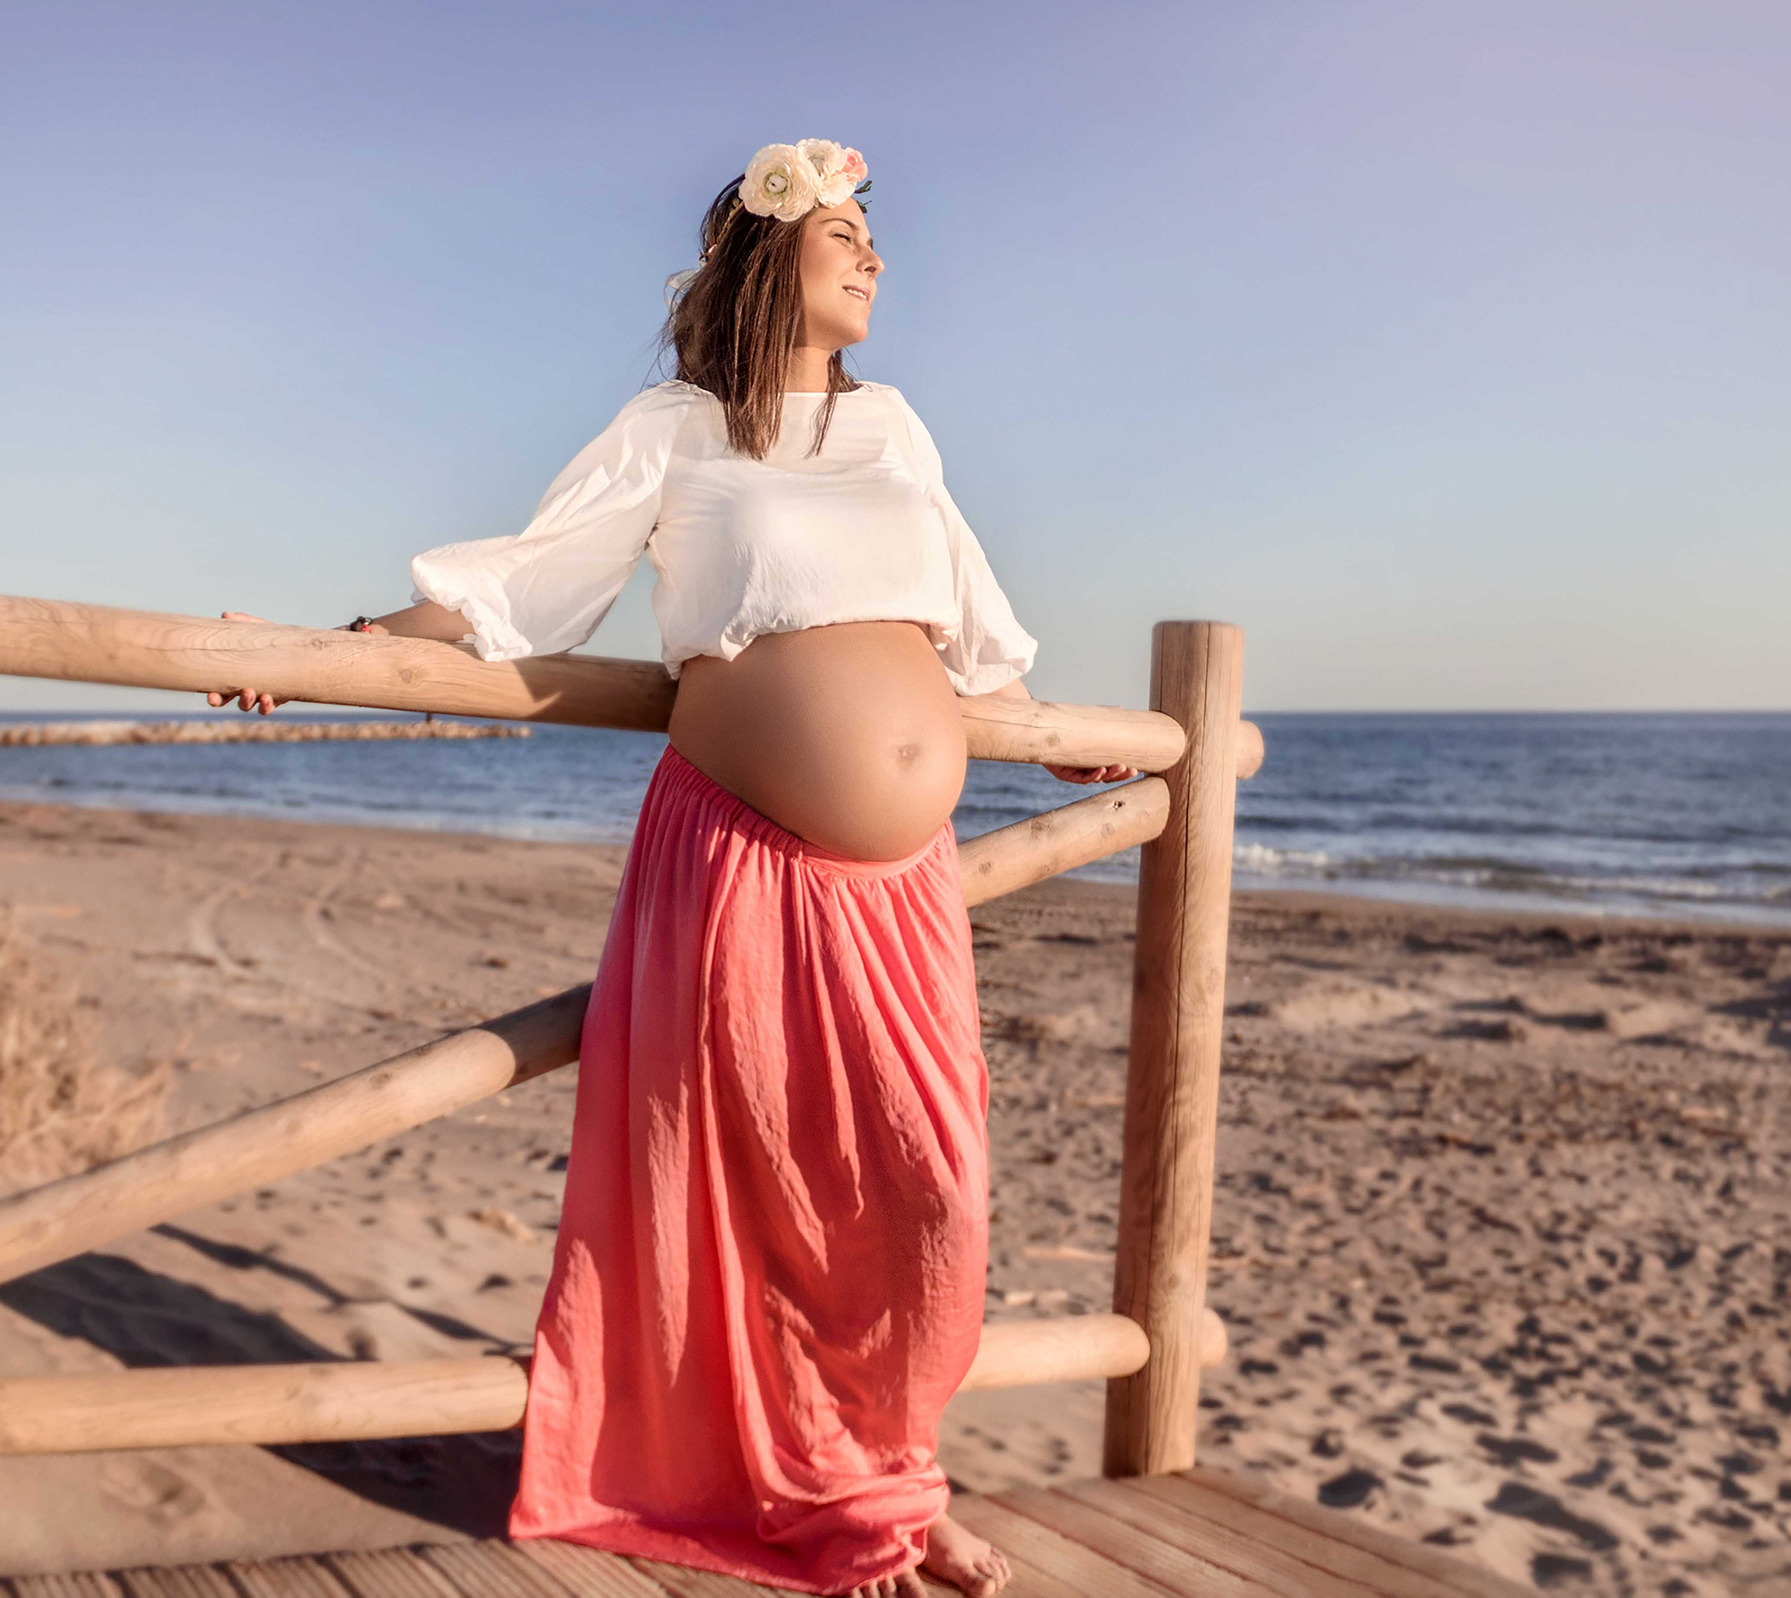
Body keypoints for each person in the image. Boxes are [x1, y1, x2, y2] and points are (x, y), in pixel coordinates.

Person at [205, 139, 1134, 1597]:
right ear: (768, 253)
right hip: (742, 860)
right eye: (842, 228)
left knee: (932, 1203)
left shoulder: (897, 428)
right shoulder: (679, 429)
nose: (874, 252)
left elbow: (967, 619)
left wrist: (1047, 730)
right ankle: (865, 1505)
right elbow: (524, 584)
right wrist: (332, 647)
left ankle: (891, 1475)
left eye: (872, 233)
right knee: (767, 1203)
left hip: (901, 889)